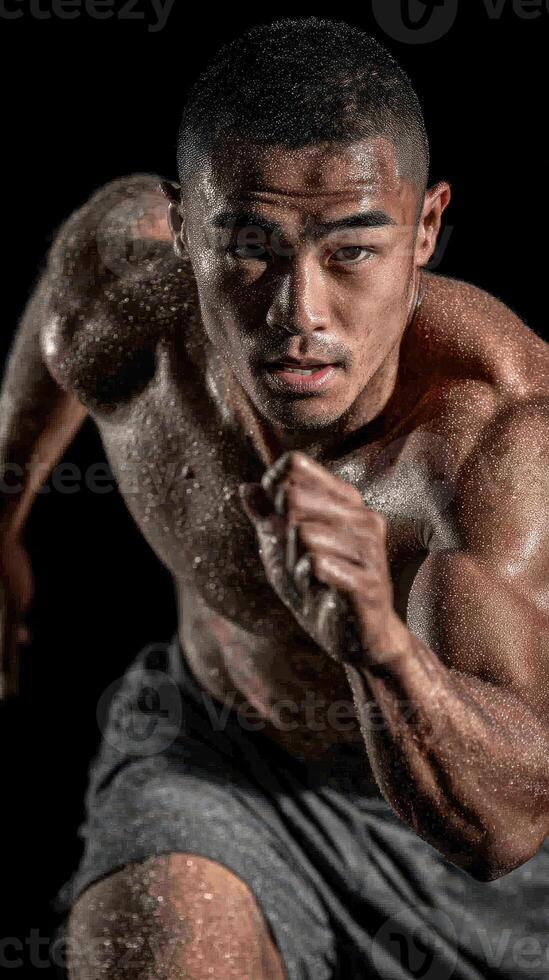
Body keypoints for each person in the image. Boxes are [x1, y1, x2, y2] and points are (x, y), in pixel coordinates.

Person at [1, 16, 548, 980]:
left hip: (474, 830)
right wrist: (2, 516)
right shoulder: (132, 300)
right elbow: (60, 322)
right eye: (250, 247)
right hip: (221, 758)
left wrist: (379, 647)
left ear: (424, 230)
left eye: (351, 251)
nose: (299, 314)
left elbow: (504, 825)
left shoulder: (496, 443)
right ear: (182, 230)